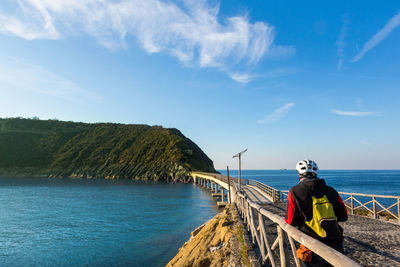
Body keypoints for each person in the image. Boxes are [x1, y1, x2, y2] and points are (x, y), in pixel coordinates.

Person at [285, 159, 348, 267]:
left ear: (299, 174)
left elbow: (290, 220)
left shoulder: (295, 191)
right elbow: (344, 216)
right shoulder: (331, 191)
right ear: (316, 173)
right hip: (335, 244)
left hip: (312, 246)